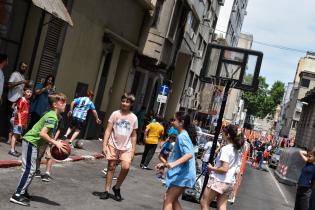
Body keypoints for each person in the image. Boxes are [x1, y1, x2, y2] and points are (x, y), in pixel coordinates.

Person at [10, 92, 68, 206]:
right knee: (29, 169)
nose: (66, 104)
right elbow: (42, 134)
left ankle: (23, 191)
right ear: (55, 104)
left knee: (32, 168)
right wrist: (55, 142)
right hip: (31, 142)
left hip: (34, 143)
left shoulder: (54, 115)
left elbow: (47, 134)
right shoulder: (52, 116)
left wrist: (56, 141)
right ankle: (17, 195)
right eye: (63, 102)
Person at [98, 93, 138, 201]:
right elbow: (108, 129)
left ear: (131, 104)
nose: (124, 103)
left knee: (126, 167)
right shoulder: (115, 114)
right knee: (111, 167)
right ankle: (106, 190)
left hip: (126, 147)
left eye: (127, 102)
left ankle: (117, 187)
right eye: (123, 101)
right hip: (113, 144)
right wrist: (104, 145)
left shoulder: (134, 118)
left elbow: (134, 135)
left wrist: (133, 150)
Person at [156, 112, 196, 210]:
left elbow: (189, 155)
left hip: (183, 174)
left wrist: (173, 164)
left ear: (181, 122)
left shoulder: (182, 136)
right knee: (173, 200)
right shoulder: (183, 135)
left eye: (174, 120)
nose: (172, 122)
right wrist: (165, 164)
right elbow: (177, 156)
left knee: (168, 199)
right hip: (184, 174)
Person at [200, 124, 244, 210]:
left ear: (227, 135)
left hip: (219, 180)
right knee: (222, 205)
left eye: (223, 133)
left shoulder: (226, 149)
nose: (221, 135)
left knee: (204, 202)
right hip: (230, 182)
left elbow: (224, 169)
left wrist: (211, 168)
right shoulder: (236, 150)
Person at [35, 117, 65, 181]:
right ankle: (37, 170)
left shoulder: (60, 117)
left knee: (49, 156)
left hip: (52, 138)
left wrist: (54, 139)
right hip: (43, 138)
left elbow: (59, 129)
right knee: (39, 155)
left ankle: (47, 173)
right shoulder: (46, 114)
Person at [8, 87, 32, 157]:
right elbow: (18, 111)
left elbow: (26, 113)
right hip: (18, 121)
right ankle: (12, 150)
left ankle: (13, 149)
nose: (29, 93)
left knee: (17, 135)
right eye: (28, 92)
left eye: (30, 92)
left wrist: (25, 123)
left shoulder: (27, 101)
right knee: (15, 135)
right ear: (24, 92)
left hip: (23, 122)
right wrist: (20, 122)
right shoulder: (22, 100)